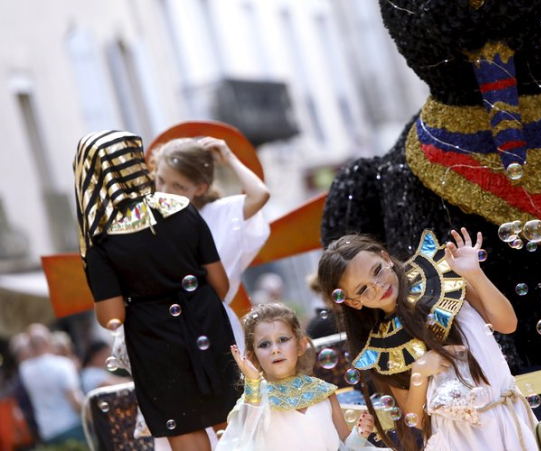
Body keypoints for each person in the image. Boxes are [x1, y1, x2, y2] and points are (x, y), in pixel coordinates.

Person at [74, 130, 240, 451]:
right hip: (207, 323)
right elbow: (220, 285)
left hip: (154, 342)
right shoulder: (183, 208)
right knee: (234, 422)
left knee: (184, 426)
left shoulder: (102, 239)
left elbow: (112, 317)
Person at [317, 228, 538, 451]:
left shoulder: (443, 278)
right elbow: (415, 418)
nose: (378, 286)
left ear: (385, 257)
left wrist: (475, 274)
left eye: (377, 271)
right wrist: (420, 372)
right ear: (353, 302)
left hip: (510, 420)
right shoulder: (383, 346)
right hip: (459, 441)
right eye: (363, 289)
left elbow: (507, 323)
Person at [152, 136, 271, 350]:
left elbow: (260, 194)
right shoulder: (150, 221)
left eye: (178, 185)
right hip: (168, 332)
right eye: (160, 180)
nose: (164, 191)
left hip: (214, 328)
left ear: (200, 188)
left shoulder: (217, 213)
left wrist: (230, 158)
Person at [217, 302, 380, 451]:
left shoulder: (323, 392)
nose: (275, 349)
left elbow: (346, 445)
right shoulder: (256, 401)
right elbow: (243, 439)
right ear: (253, 358)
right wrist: (252, 382)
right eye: (264, 344)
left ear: (301, 345)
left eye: (282, 339)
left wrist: (359, 434)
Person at [18, 324, 86, 446]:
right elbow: (74, 400)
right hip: (71, 425)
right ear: (47, 341)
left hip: (47, 431)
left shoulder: (25, 369)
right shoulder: (63, 364)